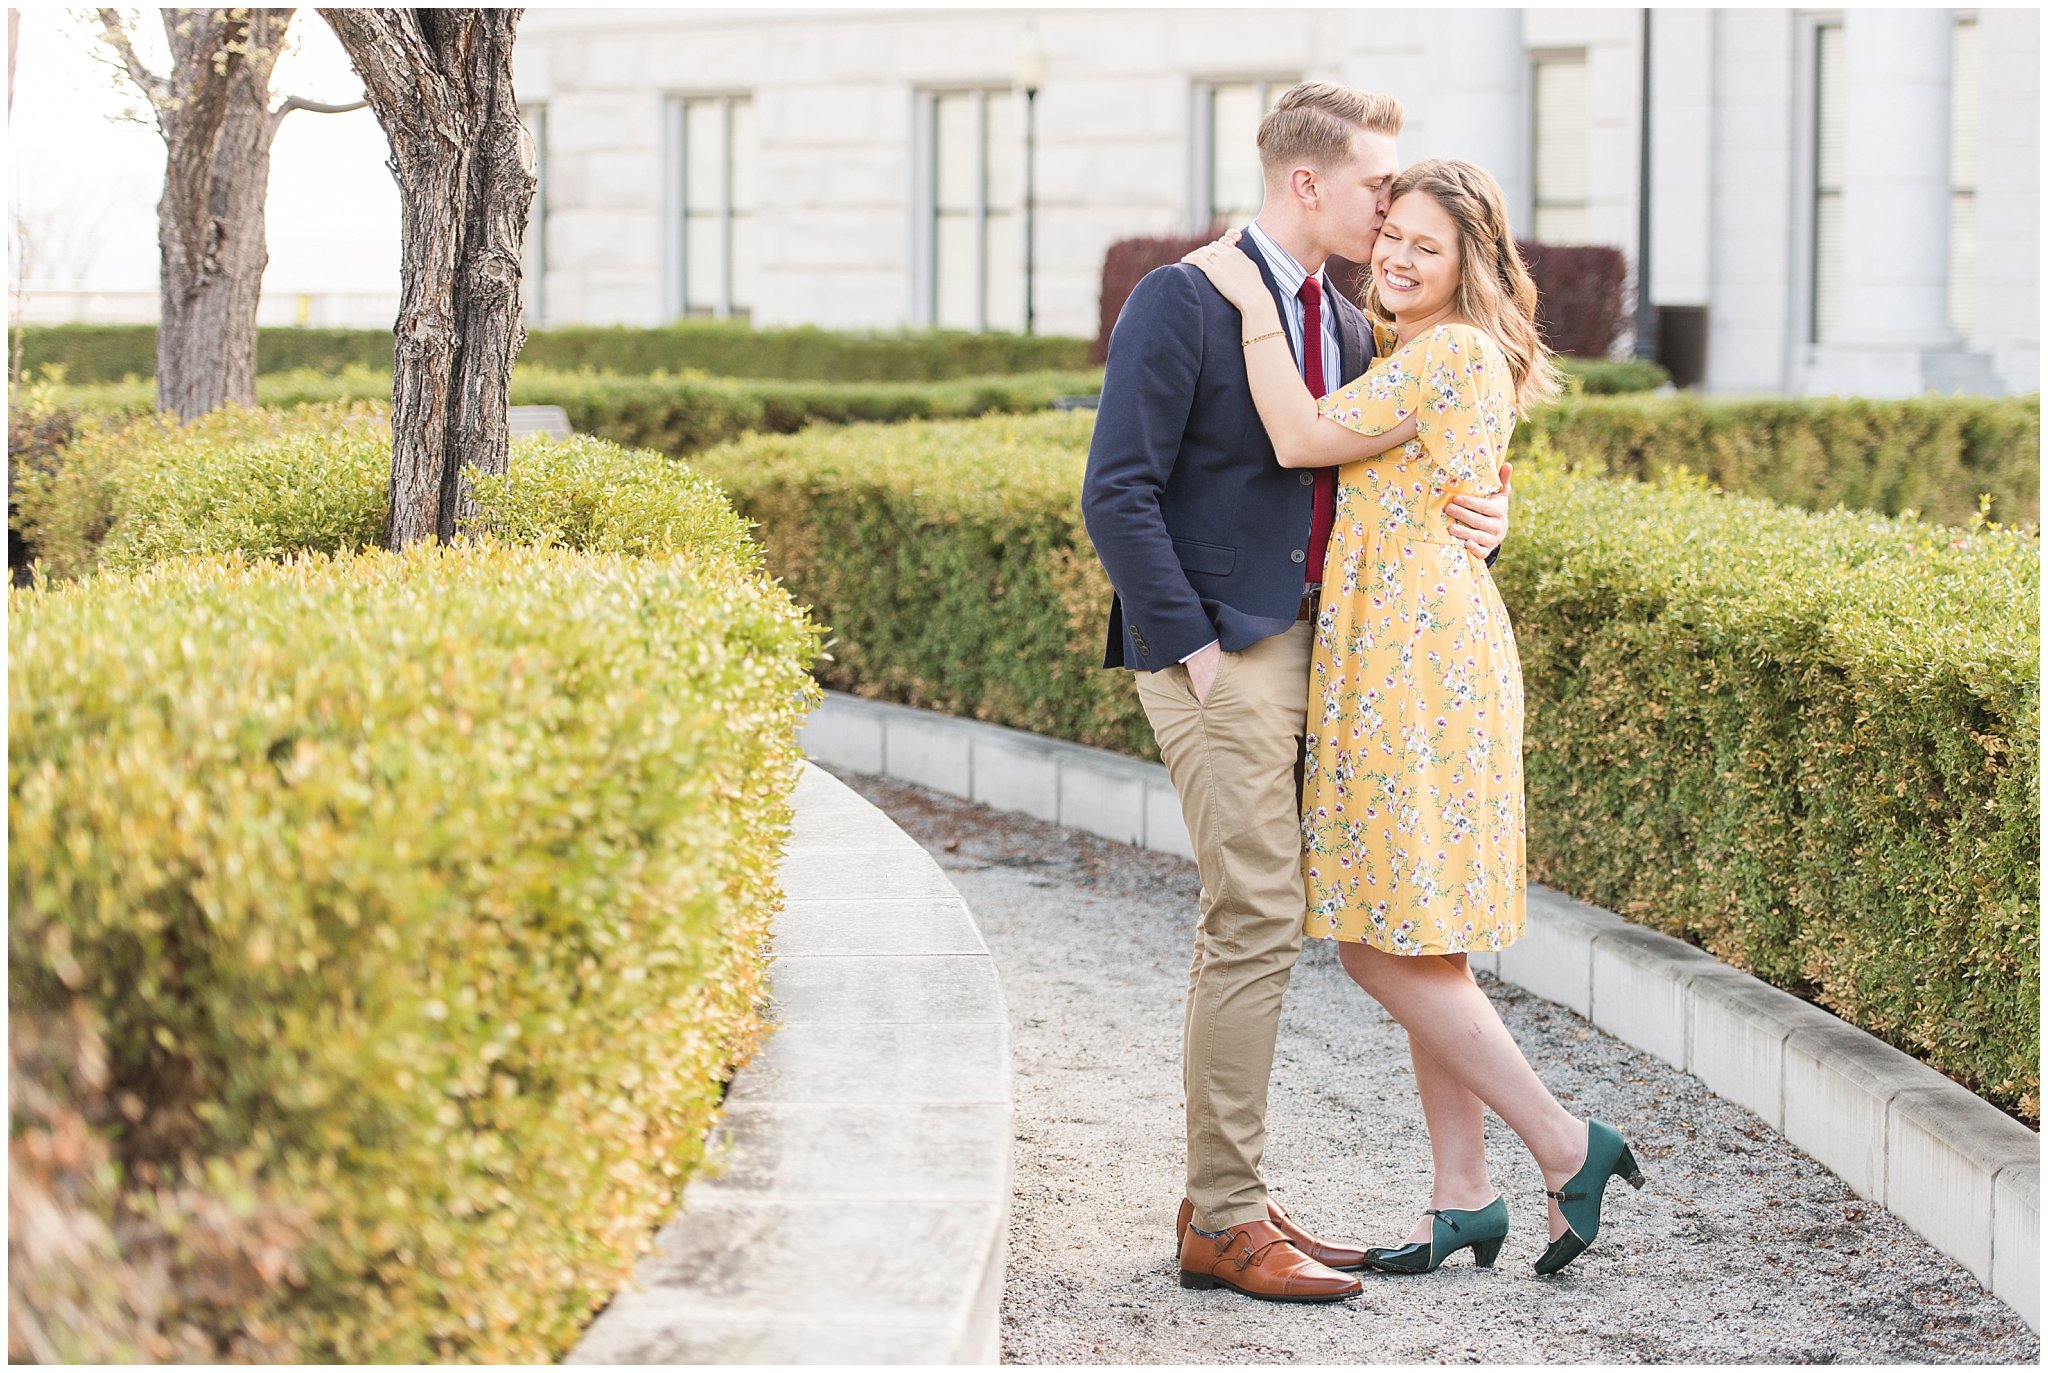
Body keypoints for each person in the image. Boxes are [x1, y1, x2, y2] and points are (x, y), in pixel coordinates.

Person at [1080, 85, 1511, 1304]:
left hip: (1341, 650)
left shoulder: (1349, 318)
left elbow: (1397, 460)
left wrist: (1491, 514)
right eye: (1379, 186)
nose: (1391, 209)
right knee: (1257, 913)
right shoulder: (1185, 295)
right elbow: (1116, 490)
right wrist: (1196, 653)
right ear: (1307, 185)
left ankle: (1233, 1200)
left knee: (1299, 915)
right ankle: (1222, 1217)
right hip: (1224, 653)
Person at [1179, 159, 1644, 1278]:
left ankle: (1563, 1141)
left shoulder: (1446, 352)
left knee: (1376, 943)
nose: (1393, 256)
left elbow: (1294, 437)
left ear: (1469, 263)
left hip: (1412, 659)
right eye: (1389, 235)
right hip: (1405, 646)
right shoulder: (1422, 354)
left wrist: (1247, 296)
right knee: (1418, 929)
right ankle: (1462, 1196)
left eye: (1422, 247)